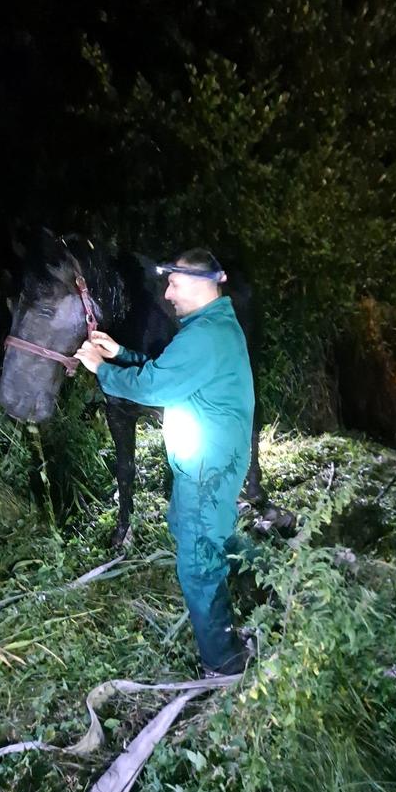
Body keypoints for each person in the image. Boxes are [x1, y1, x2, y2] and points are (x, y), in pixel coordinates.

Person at [75, 248, 255, 676]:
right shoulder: (208, 328)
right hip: (211, 463)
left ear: (197, 282)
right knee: (195, 531)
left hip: (208, 470)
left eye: (173, 283)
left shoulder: (205, 336)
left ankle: (223, 663)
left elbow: (155, 388)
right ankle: (264, 579)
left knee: (197, 562)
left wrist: (102, 369)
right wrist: (119, 352)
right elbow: (166, 371)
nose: (168, 293)